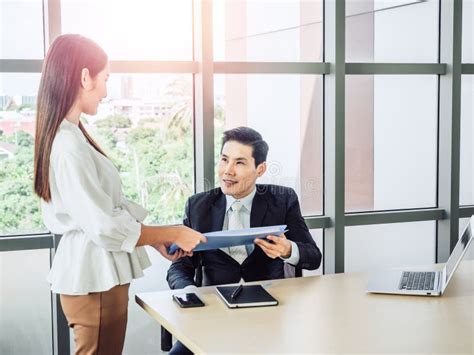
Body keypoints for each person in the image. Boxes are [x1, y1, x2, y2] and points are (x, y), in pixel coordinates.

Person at [33, 34, 206, 355]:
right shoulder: (69, 145)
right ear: (85, 76)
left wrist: (155, 239)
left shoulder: (71, 136)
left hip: (97, 276)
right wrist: (173, 232)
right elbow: (104, 226)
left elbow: (107, 207)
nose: (107, 91)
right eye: (106, 79)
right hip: (93, 278)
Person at [167, 127, 322, 354]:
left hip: (271, 313)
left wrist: (289, 250)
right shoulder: (198, 206)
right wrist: (191, 293)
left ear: (260, 169)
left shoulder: (282, 199)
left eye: (239, 163)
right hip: (213, 315)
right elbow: (179, 266)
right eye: (224, 160)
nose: (227, 171)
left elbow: (313, 257)